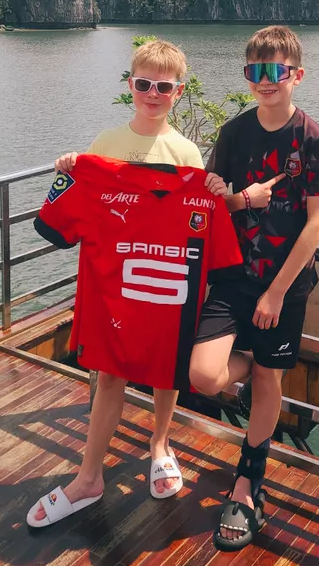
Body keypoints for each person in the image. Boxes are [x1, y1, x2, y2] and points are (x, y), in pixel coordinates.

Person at [28, 39, 226, 526]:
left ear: (178, 92)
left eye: (163, 86)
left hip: (166, 281)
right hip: (113, 284)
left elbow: (196, 224)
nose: (152, 93)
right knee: (109, 375)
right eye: (143, 84)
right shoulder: (103, 146)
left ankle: (160, 444)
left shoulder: (186, 153)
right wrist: (71, 172)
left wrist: (217, 192)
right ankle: (89, 475)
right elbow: (69, 214)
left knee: (166, 369)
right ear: (130, 86)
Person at [190, 25, 319, 551]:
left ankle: (248, 483)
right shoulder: (233, 134)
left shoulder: (311, 137)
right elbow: (214, 204)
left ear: (297, 75)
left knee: (269, 386)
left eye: (276, 72)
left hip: (286, 286)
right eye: (256, 72)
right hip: (234, 277)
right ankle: (259, 364)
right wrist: (238, 200)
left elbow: (317, 225)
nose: (265, 81)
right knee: (203, 375)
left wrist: (276, 293)